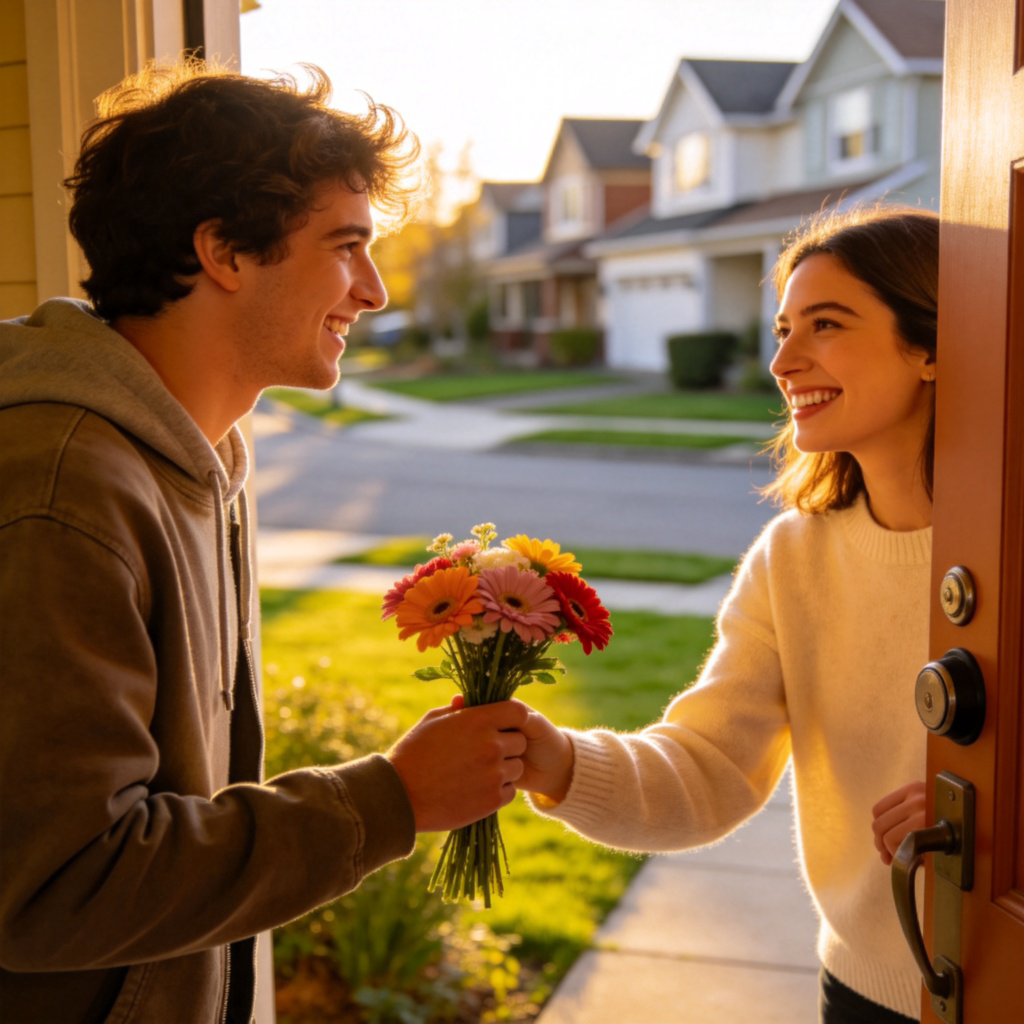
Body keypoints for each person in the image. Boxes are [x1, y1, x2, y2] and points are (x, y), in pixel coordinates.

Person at [0, 61, 530, 1024]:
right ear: (225, 254)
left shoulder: (205, 455)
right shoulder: (62, 487)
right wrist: (388, 800)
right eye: (346, 247)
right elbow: (55, 886)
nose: (372, 292)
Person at [518, 205, 939, 1023]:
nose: (784, 360)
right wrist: (555, 762)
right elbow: (711, 767)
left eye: (826, 324)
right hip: (864, 994)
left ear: (930, 345)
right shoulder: (795, 559)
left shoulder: (1008, 550)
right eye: (783, 328)